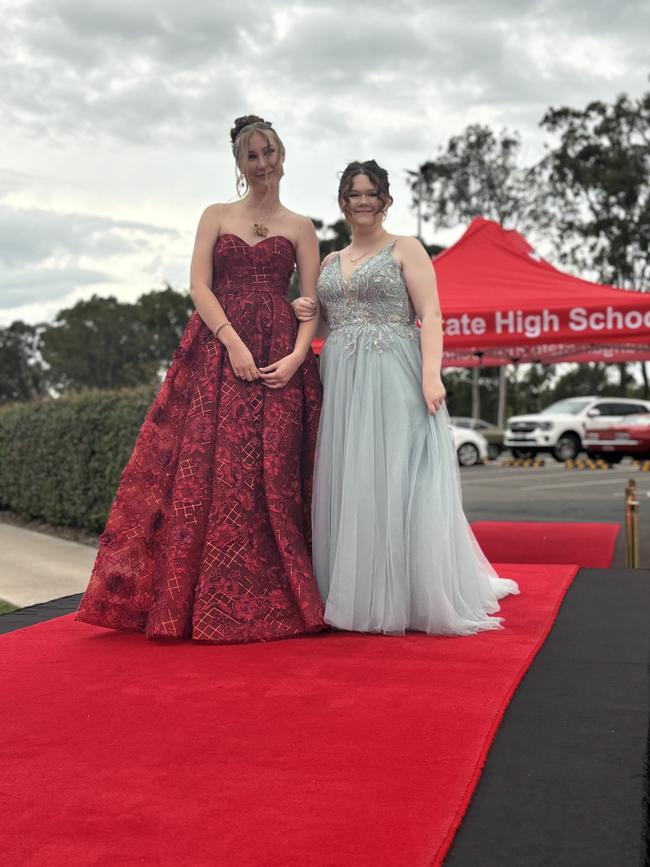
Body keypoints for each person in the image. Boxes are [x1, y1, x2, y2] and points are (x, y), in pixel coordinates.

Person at [76, 115, 325, 643]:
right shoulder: (215, 215)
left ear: (283, 155)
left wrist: (300, 357)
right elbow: (198, 285)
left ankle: (284, 600)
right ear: (239, 164)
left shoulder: (302, 226)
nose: (263, 164)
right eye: (252, 156)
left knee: (274, 476)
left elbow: (311, 304)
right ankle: (201, 604)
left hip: (281, 360)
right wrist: (231, 341)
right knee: (215, 471)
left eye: (269, 153)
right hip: (219, 356)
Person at [293, 160, 519, 635]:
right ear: (341, 202)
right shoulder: (331, 263)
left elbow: (431, 313)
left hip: (396, 370)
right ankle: (356, 590)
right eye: (353, 193)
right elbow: (327, 320)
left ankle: (409, 592)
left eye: (370, 192)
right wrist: (304, 310)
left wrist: (431, 376)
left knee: (398, 473)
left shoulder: (407, 249)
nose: (362, 201)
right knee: (354, 477)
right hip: (344, 379)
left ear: (385, 200)